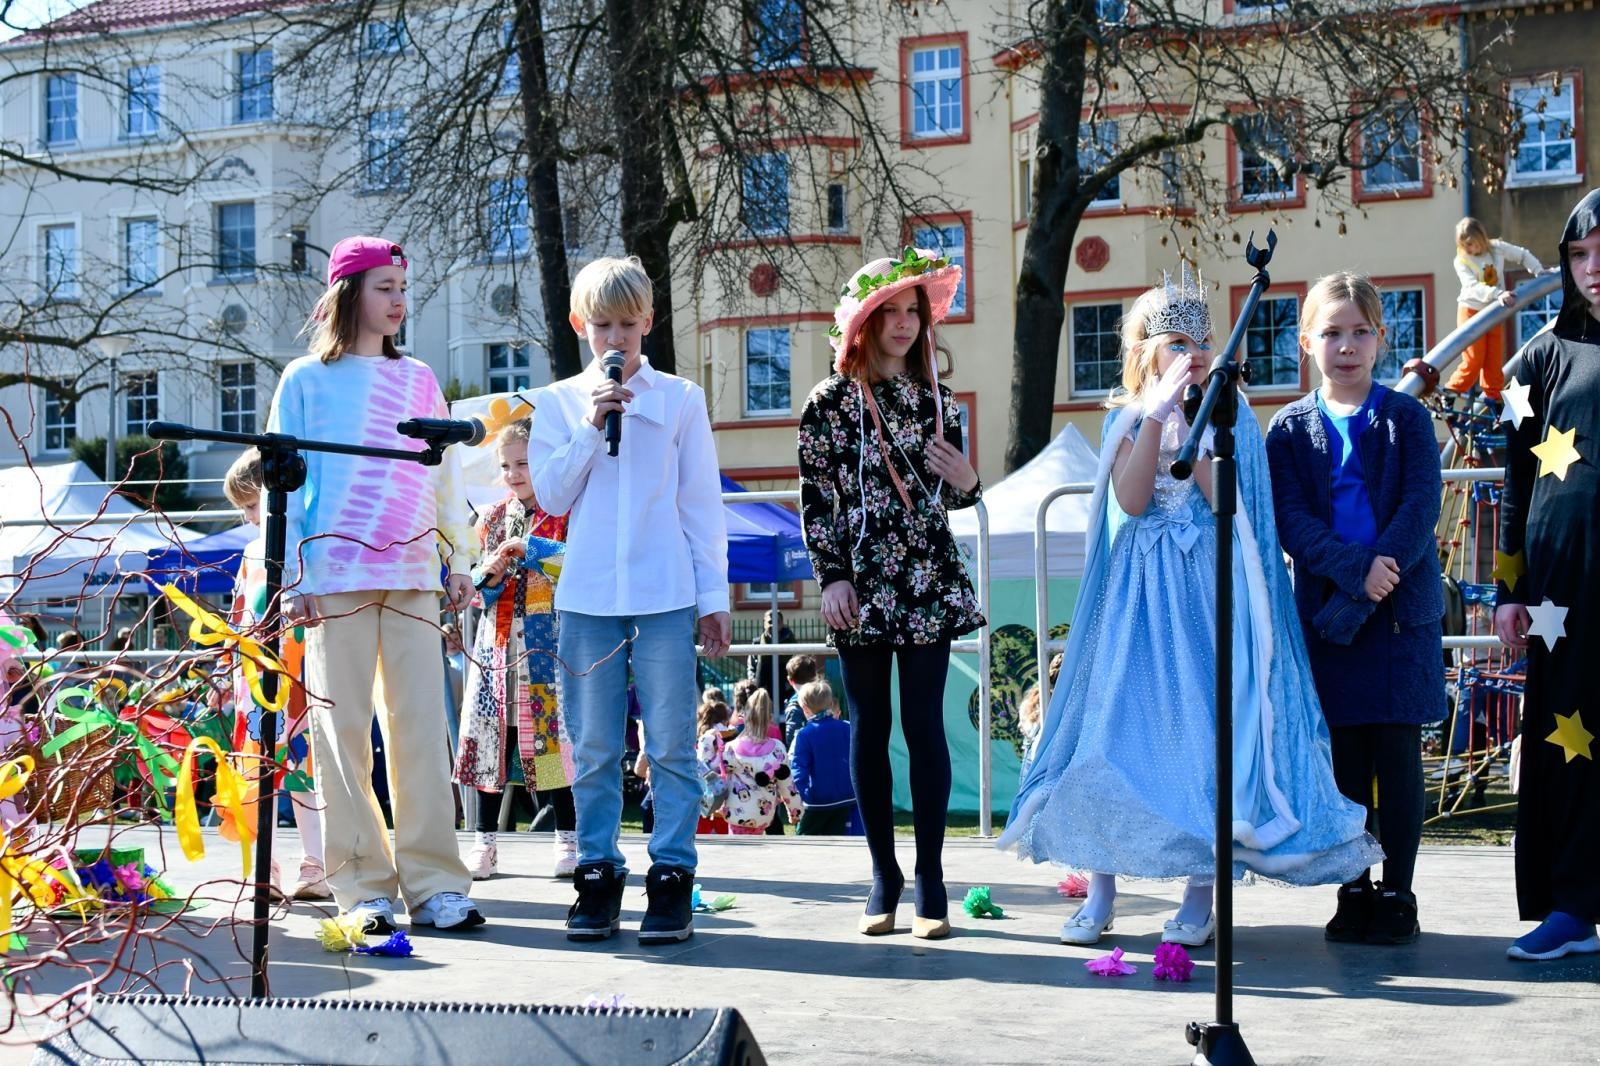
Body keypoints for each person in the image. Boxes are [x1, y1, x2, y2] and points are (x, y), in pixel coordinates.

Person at [997, 265, 1381, 947]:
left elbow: (1228, 504)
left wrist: (1197, 429)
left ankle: (1200, 895)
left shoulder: (1230, 419)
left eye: (1199, 342)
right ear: (1144, 351)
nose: (1191, 353)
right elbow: (1133, 501)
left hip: (1205, 601)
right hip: (1138, 608)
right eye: (1175, 342)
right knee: (1111, 740)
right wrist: (1153, 422)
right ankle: (1103, 887)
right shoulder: (1125, 420)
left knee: (1208, 743)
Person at [268, 235, 481, 934]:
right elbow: (285, 486)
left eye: (403, 288)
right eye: (385, 286)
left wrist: (457, 561)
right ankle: (360, 885)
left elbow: (443, 472)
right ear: (348, 291)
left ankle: (436, 883)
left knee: (423, 729)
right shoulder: (304, 380)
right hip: (335, 576)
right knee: (342, 731)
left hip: (414, 571)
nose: (398, 301)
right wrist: (295, 575)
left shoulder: (419, 376)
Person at [529, 255, 730, 944]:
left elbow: (700, 503)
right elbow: (551, 496)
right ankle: (597, 872)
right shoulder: (556, 402)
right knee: (590, 745)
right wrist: (591, 425)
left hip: (665, 591)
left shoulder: (679, 398)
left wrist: (714, 597)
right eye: (603, 327)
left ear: (649, 321)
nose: (617, 341)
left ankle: (672, 873)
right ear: (580, 325)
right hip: (587, 597)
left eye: (629, 326)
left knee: (671, 740)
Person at [798, 247, 986, 940]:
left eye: (916, 311)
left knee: (925, 724)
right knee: (868, 723)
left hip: (926, 574)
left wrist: (969, 479)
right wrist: (831, 576)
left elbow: (961, 499)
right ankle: (885, 873)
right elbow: (816, 499)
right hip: (860, 579)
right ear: (865, 321)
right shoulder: (829, 404)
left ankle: (932, 874)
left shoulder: (936, 396)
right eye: (893, 311)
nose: (906, 323)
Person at [1266, 272, 1446, 945]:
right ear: (1307, 341)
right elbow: (1290, 518)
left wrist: (1382, 571)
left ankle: (1398, 892)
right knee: (1344, 765)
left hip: (1400, 615)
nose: (1347, 345)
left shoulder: (1406, 419)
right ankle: (1353, 887)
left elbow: (1420, 505)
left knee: (1397, 756)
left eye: (1360, 331)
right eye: (1332, 332)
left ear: (1380, 339)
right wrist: (1352, 572)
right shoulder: (1287, 430)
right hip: (1329, 620)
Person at [1493, 188, 1600, 962]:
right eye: (1580, 254)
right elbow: (1513, 485)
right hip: (1564, 598)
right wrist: (1508, 592)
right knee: (1571, 745)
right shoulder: (1535, 359)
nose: (1594, 269)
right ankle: (1572, 905)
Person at [454, 417, 578, 880]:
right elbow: (479, 594)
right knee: (490, 740)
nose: (513, 473)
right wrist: (491, 572)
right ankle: (483, 842)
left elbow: (577, 567)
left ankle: (567, 838)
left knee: (551, 742)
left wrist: (532, 547)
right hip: (496, 648)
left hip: (548, 645)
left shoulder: (565, 510)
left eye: (523, 462)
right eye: (506, 465)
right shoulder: (489, 517)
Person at [221, 448, 331, 901]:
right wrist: (230, 679)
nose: (249, 518)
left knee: (303, 769)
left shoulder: (302, 547)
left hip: (299, 676)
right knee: (257, 769)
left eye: (251, 506)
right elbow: (240, 616)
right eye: (242, 510)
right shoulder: (250, 552)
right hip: (254, 679)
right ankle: (265, 864)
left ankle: (317, 863)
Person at [1446, 217, 1544, 401]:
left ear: (1481, 238)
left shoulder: (1496, 248)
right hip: (1471, 310)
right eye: (1464, 245)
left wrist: (1538, 270)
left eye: (1470, 244)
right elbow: (1472, 286)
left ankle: (1493, 396)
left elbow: (1521, 254)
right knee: (1475, 358)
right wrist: (1498, 293)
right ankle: (1452, 390)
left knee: (1493, 359)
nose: (1468, 249)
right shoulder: (1462, 260)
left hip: (1493, 311)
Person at [722, 690, 801, 835]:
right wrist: (795, 812)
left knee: (736, 851)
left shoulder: (730, 749)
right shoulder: (777, 749)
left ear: (744, 717)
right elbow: (787, 784)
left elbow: (718, 774)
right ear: (768, 719)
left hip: (736, 813)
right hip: (763, 814)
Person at [790, 680, 855, 836]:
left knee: (806, 842)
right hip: (846, 797)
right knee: (836, 840)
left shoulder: (805, 734)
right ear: (830, 702)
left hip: (816, 801)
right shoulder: (847, 727)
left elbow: (798, 768)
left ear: (805, 709)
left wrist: (801, 795)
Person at [694, 695, 733, 835]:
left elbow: (702, 763)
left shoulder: (707, 736)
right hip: (731, 783)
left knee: (706, 816)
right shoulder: (731, 733)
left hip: (712, 785)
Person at [747, 609, 796, 706]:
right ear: (764, 624)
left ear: (782, 623)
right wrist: (753, 682)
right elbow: (751, 666)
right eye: (770, 622)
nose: (772, 625)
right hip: (762, 691)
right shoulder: (757, 643)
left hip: (786, 691)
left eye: (776, 622)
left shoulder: (791, 642)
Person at [780, 654, 820, 748]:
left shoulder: (794, 707)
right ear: (815, 677)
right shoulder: (824, 697)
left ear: (790, 680)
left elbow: (791, 739)